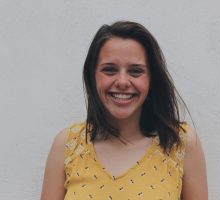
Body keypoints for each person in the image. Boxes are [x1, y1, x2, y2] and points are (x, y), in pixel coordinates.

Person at [41, 21, 208, 200]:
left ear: (151, 80)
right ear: (92, 76)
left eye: (135, 71)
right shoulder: (66, 145)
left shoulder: (181, 143)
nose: (122, 81)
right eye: (110, 70)